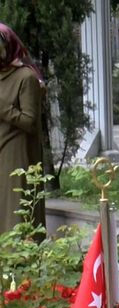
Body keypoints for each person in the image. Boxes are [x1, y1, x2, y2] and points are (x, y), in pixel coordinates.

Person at [0, 23, 44, 235]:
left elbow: (29, 121)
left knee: (15, 215)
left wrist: (3, 108)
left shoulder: (26, 78)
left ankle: (17, 265)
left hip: (16, 155)